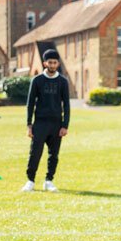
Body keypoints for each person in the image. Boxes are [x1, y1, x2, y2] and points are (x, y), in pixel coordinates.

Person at [21, 49, 70, 192]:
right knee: (35, 153)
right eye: (50, 62)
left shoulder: (63, 82)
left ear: (58, 63)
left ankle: (49, 181)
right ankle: (30, 180)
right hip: (40, 124)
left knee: (54, 155)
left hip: (56, 124)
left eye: (55, 62)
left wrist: (65, 125)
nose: (52, 65)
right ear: (45, 63)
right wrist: (29, 125)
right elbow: (30, 104)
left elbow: (66, 104)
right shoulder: (37, 80)